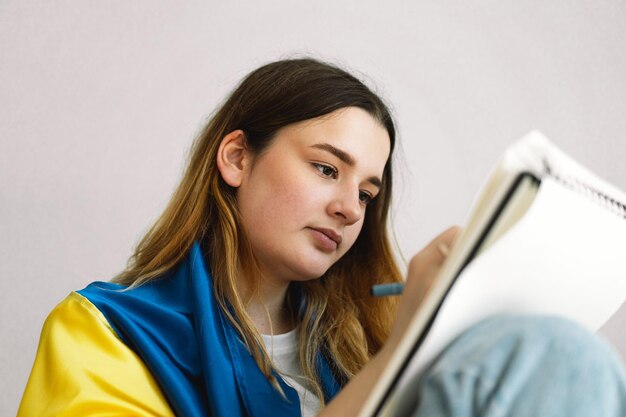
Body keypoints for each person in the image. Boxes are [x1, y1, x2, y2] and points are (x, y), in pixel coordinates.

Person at [18, 58, 626, 417]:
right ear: (236, 158)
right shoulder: (104, 333)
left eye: (366, 193)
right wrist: (398, 357)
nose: (347, 208)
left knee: (556, 350)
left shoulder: (355, 342)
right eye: (326, 168)